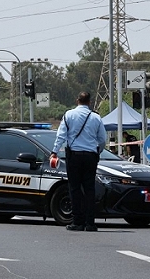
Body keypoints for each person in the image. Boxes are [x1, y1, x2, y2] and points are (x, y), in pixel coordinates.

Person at [50, 92, 106, 232]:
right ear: (89, 102)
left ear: (77, 100)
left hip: (74, 156)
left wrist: (54, 152)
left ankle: (77, 222)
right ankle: (90, 223)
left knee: (74, 188)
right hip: (90, 156)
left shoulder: (68, 115)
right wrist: (97, 152)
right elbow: (102, 139)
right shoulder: (96, 117)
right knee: (89, 189)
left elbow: (61, 135)